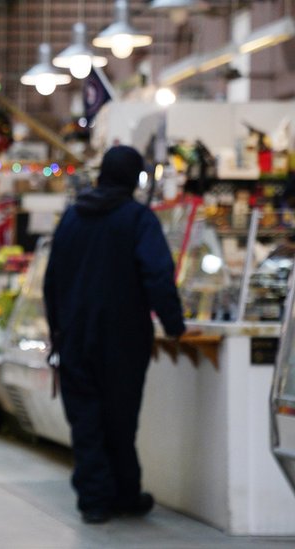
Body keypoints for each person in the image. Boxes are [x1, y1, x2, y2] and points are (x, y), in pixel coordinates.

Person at [43, 145, 187, 524]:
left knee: (85, 420)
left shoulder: (72, 218)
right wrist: (174, 324)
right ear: (134, 178)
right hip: (124, 337)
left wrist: (57, 328)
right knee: (120, 418)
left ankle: (94, 500)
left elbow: (51, 279)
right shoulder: (138, 219)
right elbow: (157, 275)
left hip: (75, 335)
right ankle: (124, 493)